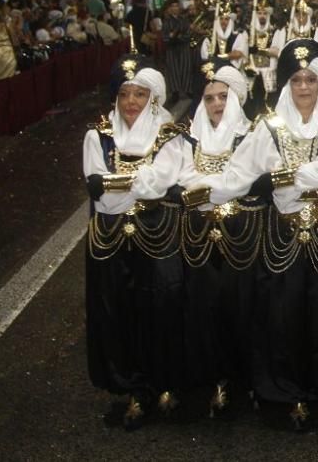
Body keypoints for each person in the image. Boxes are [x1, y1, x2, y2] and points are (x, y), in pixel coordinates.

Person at [201, 39, 318, 430]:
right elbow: (236, 177)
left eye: (311, 79)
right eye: (297, 79)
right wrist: (202, 194)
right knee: (283, 314)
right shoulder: (269, 128)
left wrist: (303, 180)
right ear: (285, 84)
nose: (304, 87)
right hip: (282, 239)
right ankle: (286, 389)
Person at [83, 53, 185, 429]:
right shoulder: (98, 134)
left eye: (139, 94)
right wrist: (142, 185)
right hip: (112, 240)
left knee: (163, 308)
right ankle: (133, 390)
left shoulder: (169, 133)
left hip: (158, 236)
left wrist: (118, 183)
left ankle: (166, 383)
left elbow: (162, 182)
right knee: (119, 312)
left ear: (153, 99)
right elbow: (105, 198)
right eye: (124, 93)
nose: (130, 103)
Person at [176, 59, 258, 417]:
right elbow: (179, 178)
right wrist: (208, 189)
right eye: (209, 98)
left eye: (224, 96)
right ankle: (215, 378)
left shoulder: (251, 134)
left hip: (241, 235)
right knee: (205, 306)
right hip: (198, 237)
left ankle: (250, 378)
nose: (216, 105)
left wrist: (204, 189)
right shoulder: (187, 137)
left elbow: (247, 180)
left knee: (244, 306)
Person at [161, 0, 194, 101]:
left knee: (186, 69)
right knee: (173, 70)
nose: (175, 8)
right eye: (172, 6)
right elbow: (165, 36)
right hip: (172, 49)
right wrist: (171, 37)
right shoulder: (166, 22)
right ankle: (175, 92)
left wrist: (179, 37)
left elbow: (188, 33)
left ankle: (187, 90)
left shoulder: (184, 20)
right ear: (169, 9)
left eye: (176, 6)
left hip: (184, 47)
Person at [199, 5, 247, 69]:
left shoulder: (238, 37)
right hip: (213, 70)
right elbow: (205, 56)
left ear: (230, 22)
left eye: (226, 19)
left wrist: (220, 57)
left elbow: (239, 54)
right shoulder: (209, 39)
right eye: (221, 19)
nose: (223, 22)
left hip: (231, 71)